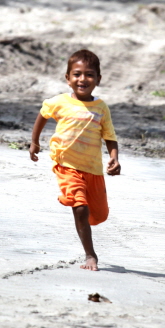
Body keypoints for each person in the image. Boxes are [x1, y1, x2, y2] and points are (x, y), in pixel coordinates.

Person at [29, 49, 121, 271]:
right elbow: (43, 114)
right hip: (66, 166)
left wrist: (114, 158)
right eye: (77, 74)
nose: (83, 79)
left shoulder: (100, 108)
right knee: (80, 206)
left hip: (93, 168)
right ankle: (91, 255)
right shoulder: (59, 102)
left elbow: (110, 136)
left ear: (98, 79)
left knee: (99, 215)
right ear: (68, 78)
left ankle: (86, 223)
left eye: (89, 74)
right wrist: (35, 142)